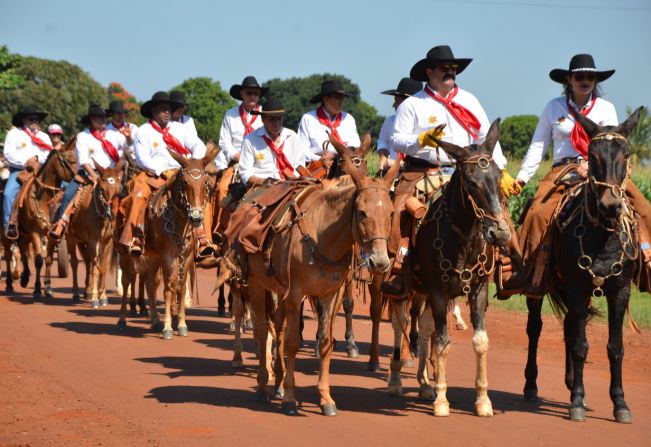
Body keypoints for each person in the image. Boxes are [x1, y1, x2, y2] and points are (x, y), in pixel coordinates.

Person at [502, 54, 651, 297]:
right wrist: (521, 178)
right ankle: (532, 273)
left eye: (590, 77)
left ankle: (646, 265)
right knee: (537, 213)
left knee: (643, 207)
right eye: (579, 76)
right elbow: (538, 146)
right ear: (569, 80)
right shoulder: (554, 107)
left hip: (603, 171)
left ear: (595, 81)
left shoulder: (606, 108)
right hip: (562, 170)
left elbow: (613, 146)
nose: (585, 80)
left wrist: (591, 167)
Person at [382, 45, 517, 296]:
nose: (450, 73)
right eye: (445, 69)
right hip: (423, 170)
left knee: (498, 206)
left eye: (453, 69)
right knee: (401, 207)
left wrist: (503, 169)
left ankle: (506, 264)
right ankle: (399, 268)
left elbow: (486, 137)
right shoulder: (412, 105)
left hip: (467, 171)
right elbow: (396, 140)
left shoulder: (470, 100)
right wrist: (420, 140)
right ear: (430, 72)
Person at [117, 91, 212, 258]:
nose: (167, 112)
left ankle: (204, 239)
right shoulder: (144, 131)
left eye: (169, 109)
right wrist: (162, 171)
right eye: (163, 109)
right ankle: (136, 237)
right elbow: (142, 158)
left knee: (202, 193)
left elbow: (200, 147)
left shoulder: (181, 129)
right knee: (139, 194)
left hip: (181, 172)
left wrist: (192, 165)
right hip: (154, 174)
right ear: (153, 111)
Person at [49, 105, 127, 240]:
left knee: (128, 194)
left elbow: (128, 148)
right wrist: (94, 175)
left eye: (103, 117)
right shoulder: (83, 136)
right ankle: (61, 225)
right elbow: (84, 160)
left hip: (111, 175)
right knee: (68, 195)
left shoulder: (116, 135)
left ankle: (129, 230)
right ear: (91, 119)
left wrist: (129, 138)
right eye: (98, 117)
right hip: (87, 174)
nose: (102, 120)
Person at [3, 106, 52, 239]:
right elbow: (8, 154)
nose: (34, 121)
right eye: (31, 118)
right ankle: (10, 224)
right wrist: (26, 162)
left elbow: (50, 154)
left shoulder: (44, 136)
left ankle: (57, 222)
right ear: (24, 120)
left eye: (37, 119)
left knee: (59, 192)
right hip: (20, 172)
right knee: (7, 194)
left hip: (40, 172)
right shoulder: (14, 134)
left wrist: (36, 159)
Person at [298, 80, 361, 175]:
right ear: (326, 99)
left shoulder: (348, 119)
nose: (341, 102)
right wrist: (320, 159)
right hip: (317, 170)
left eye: (342, 98)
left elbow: (356, 147)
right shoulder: (308, 119)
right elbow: (302, 150)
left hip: (345, 169)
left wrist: (336, 155)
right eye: (337, 98)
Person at [239, 98, 307, 187]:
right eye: (272, 119)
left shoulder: (292, 136)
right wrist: (263, 181)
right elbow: (245, 173)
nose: (277, 123)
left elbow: (300, 166)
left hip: (292, 185)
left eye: (279, 119)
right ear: (263, 119)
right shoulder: (250, 140)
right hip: (261, 187)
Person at [218, 76, 268, 166]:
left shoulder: (266, 114)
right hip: (237, 161)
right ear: (242, 94)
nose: (252, 96)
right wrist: (235, 155)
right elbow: (224, 141)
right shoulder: (230, 114)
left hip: (261, 160)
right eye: (249, 93)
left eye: (256, 94)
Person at [377, 77, 422, 171]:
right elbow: (383, 143)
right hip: (392, 172)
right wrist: (383, 156)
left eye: (397, 101)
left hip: (416, 173)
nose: (393, 105)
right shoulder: (389, 121)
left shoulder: (424, 125)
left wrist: (398, 164)